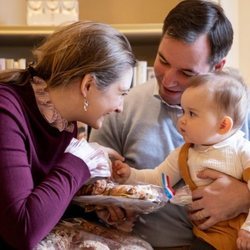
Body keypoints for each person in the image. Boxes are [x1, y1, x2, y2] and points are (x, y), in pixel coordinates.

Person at [89, 0, 250, 248]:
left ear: (218, 67)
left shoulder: (241, 113)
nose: (169, 81)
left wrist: (243, 197)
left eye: (187, 73)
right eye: (163, 60)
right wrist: (107, 204)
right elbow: (91, 179)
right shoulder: (120, 105)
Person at [0, 21, 136, 249]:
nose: (120, 107)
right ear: (88, 85)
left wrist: (98, 210)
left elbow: (46, 206)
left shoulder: (64, 123)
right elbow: (22, 230)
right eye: (120, 93)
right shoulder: (6, 111)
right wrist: (81, 158)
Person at [112, 69, 250, 250]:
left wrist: (248, 229)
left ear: (223, 125)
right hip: (208, 239)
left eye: (191, 114)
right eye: (183, 111)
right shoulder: (184, 154)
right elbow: (157, 178)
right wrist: (129, 174)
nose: (182, 120)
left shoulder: (242, 150)